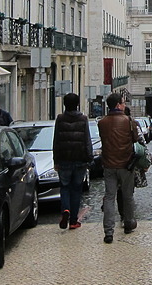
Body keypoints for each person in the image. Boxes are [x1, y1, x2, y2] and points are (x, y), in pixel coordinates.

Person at [97, 93, 137, 244]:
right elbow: (135, 139)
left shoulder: (102, 123)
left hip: (108, 164)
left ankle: (108, 231)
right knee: (127, 196)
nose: (124, 105)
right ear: (118, 105)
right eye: (123, 103)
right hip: (126, 165)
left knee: (109, 197)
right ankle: (128, 223)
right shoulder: (128, 121)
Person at [52, 93, 92, 230]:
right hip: (80, 160)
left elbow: (56, 141)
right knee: (76, 190)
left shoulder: (60, 119)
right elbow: (87, 140)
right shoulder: (83, 119)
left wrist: (55, 160)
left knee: (64, 187)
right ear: (77, 104)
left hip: (64, 160)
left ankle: (65, 210)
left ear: (64, 104)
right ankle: (73, 221)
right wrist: (89, 158)